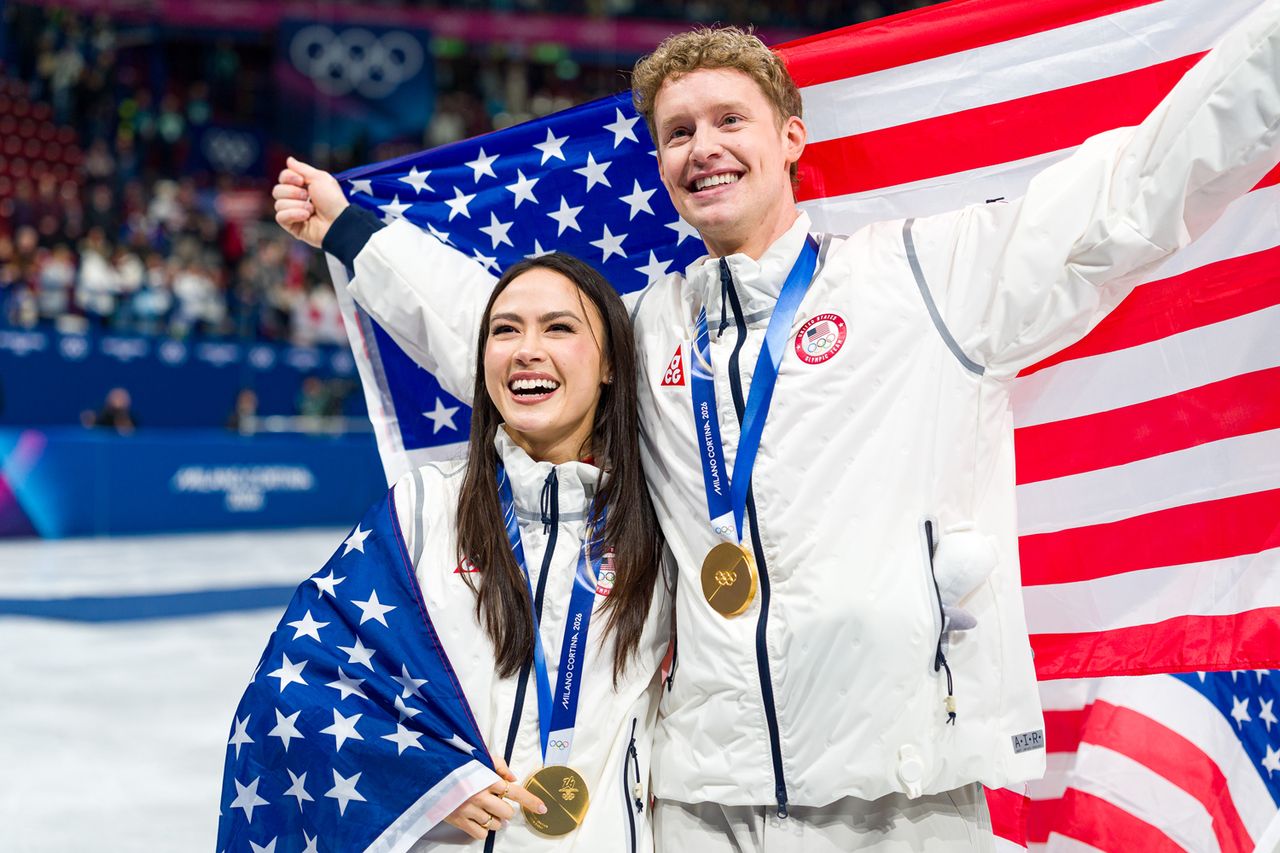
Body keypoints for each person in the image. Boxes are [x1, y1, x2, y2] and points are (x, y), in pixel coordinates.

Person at [273, 5, 1280, 849]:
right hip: (705, 803)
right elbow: (496, 330)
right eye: (677, 132)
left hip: (903, 795)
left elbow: (1129, 196)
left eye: (728, 120)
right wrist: (353, 232)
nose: (702, 147)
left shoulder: (927, 278)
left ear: (791, 136)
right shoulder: (646, 331)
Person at [217, 254, 671, 852]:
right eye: (504, 330)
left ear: (611, 362)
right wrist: (425, 779)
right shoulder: (424, 508)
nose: (526, 350)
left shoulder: (663, 522)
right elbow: (296, 684)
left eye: (559, 328)